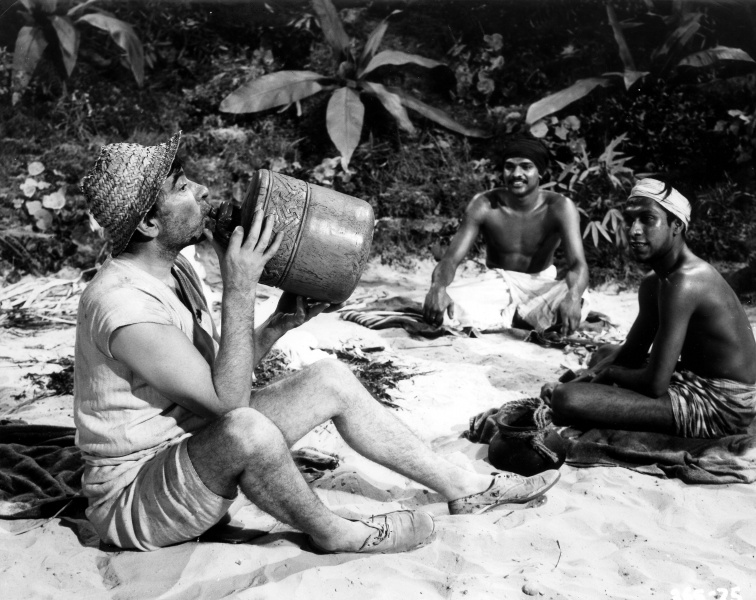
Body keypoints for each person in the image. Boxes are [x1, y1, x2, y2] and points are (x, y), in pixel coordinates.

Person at [74, 132, 560, 554]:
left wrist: (277, 325)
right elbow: (228, 405)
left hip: (193, 451)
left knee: (329, 378)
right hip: (135, 500)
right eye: (181, 187)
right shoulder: (124, 304)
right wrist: (241, 288)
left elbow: (216, 380)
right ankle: (335, 533)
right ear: (148, 225)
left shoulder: (176, 269)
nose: (200, 188)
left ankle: (463, 485)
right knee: (247, 428)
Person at [544, 178, 756, 438]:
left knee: (567, 399)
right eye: (631, 220)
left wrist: (607, 374)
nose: (634, 230)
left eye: (647, 219)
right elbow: (632, 351)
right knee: (604, 353)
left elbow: (656, 384)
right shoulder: (654, 282)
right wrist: (588, 376)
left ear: (676, 225)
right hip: (693, 377)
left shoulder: (686, 281)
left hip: (723, 404)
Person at [423, 135, 590, 335]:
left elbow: (578, 264)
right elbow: (450, 259)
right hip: (497, 284)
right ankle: (523, 318)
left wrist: (573, 296)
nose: (516, 174)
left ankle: (512, 317)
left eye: (526, 167)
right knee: (445, 308)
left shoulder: (560, 207)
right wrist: (438, 287)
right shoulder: (484, 205)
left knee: (581, 300)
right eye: (509, 167)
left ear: (541, 172)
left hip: (541, 284)